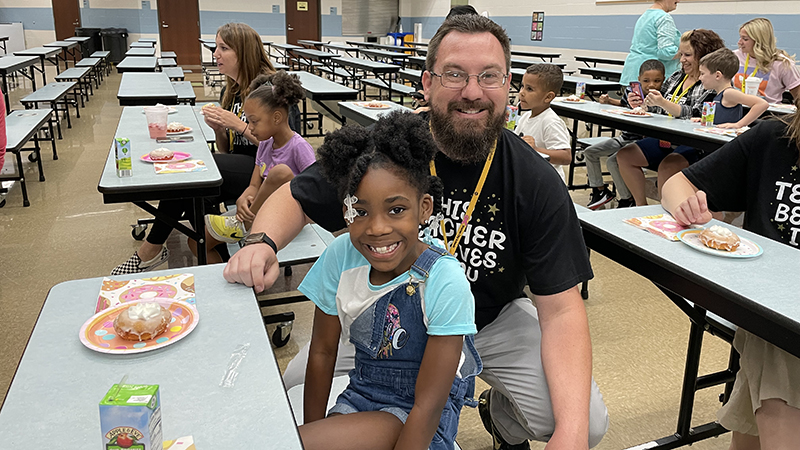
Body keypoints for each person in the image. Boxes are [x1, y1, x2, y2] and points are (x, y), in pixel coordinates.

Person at [225, 14, 609, 450]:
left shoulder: (534, 179)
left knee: (586, 423)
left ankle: (503, 418)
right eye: (454, 74)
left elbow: (561, 310)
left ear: (507, 86)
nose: (472, 91)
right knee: (294, 391)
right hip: (385, 319)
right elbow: (294, 195)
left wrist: (571, 434)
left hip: (490, 320)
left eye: (490, 76)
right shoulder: (387, 150)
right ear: (426, 83)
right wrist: (261, 243)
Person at [298, 111, 481, 450]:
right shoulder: (340, 257)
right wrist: (316, 430)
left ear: (424, 207)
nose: (377, 228)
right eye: (361, 211)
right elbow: (323, 352)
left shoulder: (444, 279)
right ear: (345, 211)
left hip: (423, 419)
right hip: (360, 398)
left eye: (396, 209)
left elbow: (428, 405)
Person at [661, 107, 800, 450]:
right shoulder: (774, 138)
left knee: (763, 366)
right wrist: (690, 211)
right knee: (774, 344)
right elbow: (677, 184)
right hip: (769, 307)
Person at [111, 23, 279, 275]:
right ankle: (220, 259)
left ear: (243, 52)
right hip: (243, 166)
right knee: (193, 195)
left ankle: (151, 250)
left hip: (268, 173)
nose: (215, 54)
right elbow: (227, 152)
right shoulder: (230, 90)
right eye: (216, 47)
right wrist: (219, 130)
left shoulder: (270, 88)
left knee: (190, 175)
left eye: (224, 48)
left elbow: (283, 148)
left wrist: (239, 125)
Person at [192, 71, 316, 264]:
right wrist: (244, 198)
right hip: (258, 209)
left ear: (276, 118)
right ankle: (227, 283)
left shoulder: (299, 147)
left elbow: (314, 190)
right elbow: (253, 185)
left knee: (280, 172)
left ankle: (244, 224)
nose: (249, 128)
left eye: (254, 121)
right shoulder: (265, 144)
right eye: (248, 121)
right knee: (196, 240)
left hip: (289, 216)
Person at [616, 29, 724, 207]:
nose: (681, 60)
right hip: (666, 138)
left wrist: (664, 104)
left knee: (667, 166)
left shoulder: (712, 81)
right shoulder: (676, 77)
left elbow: (698, 113)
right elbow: (655, 107)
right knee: (625, 155)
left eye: (687, 55)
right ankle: (640, 206)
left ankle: (665, 214)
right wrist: (640, 105)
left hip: (693, 143)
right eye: (681, 54)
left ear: (704, 55)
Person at [586, 59, 665, 209]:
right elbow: (623, 104)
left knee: (612, 161)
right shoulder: (632, 90)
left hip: (640, 141)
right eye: (646, 80)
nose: (652, 85)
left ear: (664, 80)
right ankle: (600, 191)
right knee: (590, 152)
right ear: (639, 79)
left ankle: (627, 199)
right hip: (625, 137)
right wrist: (608, 101)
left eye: (657, 81)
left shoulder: (662, 98)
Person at [514, 64, 571, 182]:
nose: (522, 93)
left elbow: (566, 157)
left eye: (529, 89)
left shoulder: (550, 122)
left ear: (548, 97)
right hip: (532, 180)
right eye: (522, 86)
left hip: (549, 184)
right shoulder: (526, 117)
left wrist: (535, 150)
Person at [733, 18, 800, 104]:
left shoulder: (782, 64)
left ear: (759, 42)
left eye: (745, 39)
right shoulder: (734, 57)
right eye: (740, 38)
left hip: (768, 114)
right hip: (737, 110)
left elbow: (798, 96)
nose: (739, 42)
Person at [697, 48, 768, 129]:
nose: (700, 78)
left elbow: (762, 104)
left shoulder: (729, 93)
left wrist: (739, 124)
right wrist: (705, 120)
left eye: (702, 74)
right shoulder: (718, 94)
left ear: (717, 75)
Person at [619, 0, 680, 85]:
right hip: (650, 80)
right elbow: (665, 52)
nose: (679, 1)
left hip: (633, 74)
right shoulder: (664, 18)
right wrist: (685, 52)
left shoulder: (645, 16)